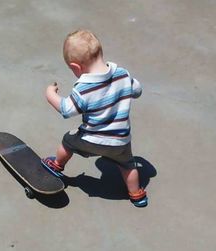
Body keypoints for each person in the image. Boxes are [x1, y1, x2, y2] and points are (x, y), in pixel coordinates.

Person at [41, 29, 148, 207]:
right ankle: (136, 194)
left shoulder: (84, 88)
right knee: (128, 165)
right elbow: (137, 90)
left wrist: (50, 94)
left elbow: (67, 110)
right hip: (120, 141)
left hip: (92, 139)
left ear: (76, 67)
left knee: (68, 141)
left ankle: (56, 165)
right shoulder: (123, 74)